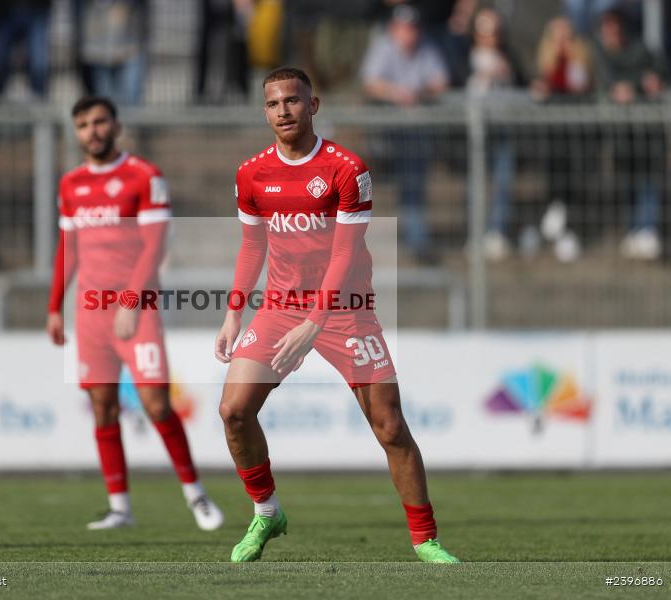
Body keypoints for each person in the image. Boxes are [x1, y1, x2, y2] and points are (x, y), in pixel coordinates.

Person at [213, 66, 459, 563]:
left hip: (346, 311)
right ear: (265, 111)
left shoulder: (347, 168)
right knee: (233, 411)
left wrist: (316, 322)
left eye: (293, 101)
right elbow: (251, 247)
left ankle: (425, 539)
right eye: (274, 103)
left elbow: (346, 253)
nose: (283, 111)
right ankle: (266, 513)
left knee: (389, 425)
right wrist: (233, 314)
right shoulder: (251, 173)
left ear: (313, 105)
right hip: (281, 309)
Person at [46, 96, 223, 531]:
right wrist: (54, 307)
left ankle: (195, 494)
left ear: (116, 125)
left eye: (100, 121)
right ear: (76, 132)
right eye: (84, 124)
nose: (93, 130)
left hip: (136, 310)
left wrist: (129, 301)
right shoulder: (71, 184)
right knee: (102, 407)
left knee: (156, 403)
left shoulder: (144, 177)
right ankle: (120, 507)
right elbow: (68, 249)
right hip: (90, 315)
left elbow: (155, 244)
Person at [361, 4, 448, 263]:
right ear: (393, 28)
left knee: (413, 183)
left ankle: (416, 240)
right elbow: (371, 83)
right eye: (403, 28)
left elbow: (440, 81)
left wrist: (419, 93)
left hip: (414, 132)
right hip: (383, 133)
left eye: (412, 28)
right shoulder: (383, 46)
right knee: (368, 187)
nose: (408, 34)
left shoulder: (426, 47)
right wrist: (397, 93)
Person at [595, 9, 667, 260]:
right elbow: (608, 83)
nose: (612, 33)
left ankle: (647, 229)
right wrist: (635, 84)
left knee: (649, 181)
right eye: (608, 27)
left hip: (648, 133)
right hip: (621, 135)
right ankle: (634, 230)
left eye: (616, 27)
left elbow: (656, 78)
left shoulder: (641, 49)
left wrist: (639, 85)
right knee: (628, 183)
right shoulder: (599, 53)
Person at [531, 16, 597, 262]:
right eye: (557, 37)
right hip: (553, 134)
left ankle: (569, 230)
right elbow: (541, 87)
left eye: (567, 37)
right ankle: (556, 220)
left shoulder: (581, 61)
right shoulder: (543, 63)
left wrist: (567, 60)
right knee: (555, 176)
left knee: (575, 180)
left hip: (578, 133)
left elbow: (579, 84)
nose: (562, 42)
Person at [467, 8, 526, 261]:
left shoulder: (509, 57)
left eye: (496, 31)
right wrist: (484, 77)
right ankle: (475, 233)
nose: (492, 36)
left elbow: (524, 85)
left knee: (503, 181)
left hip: (503, 128)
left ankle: (497, 232)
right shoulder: (465, 56)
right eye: (486, 30)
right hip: (476, 132)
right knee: (476, 185)